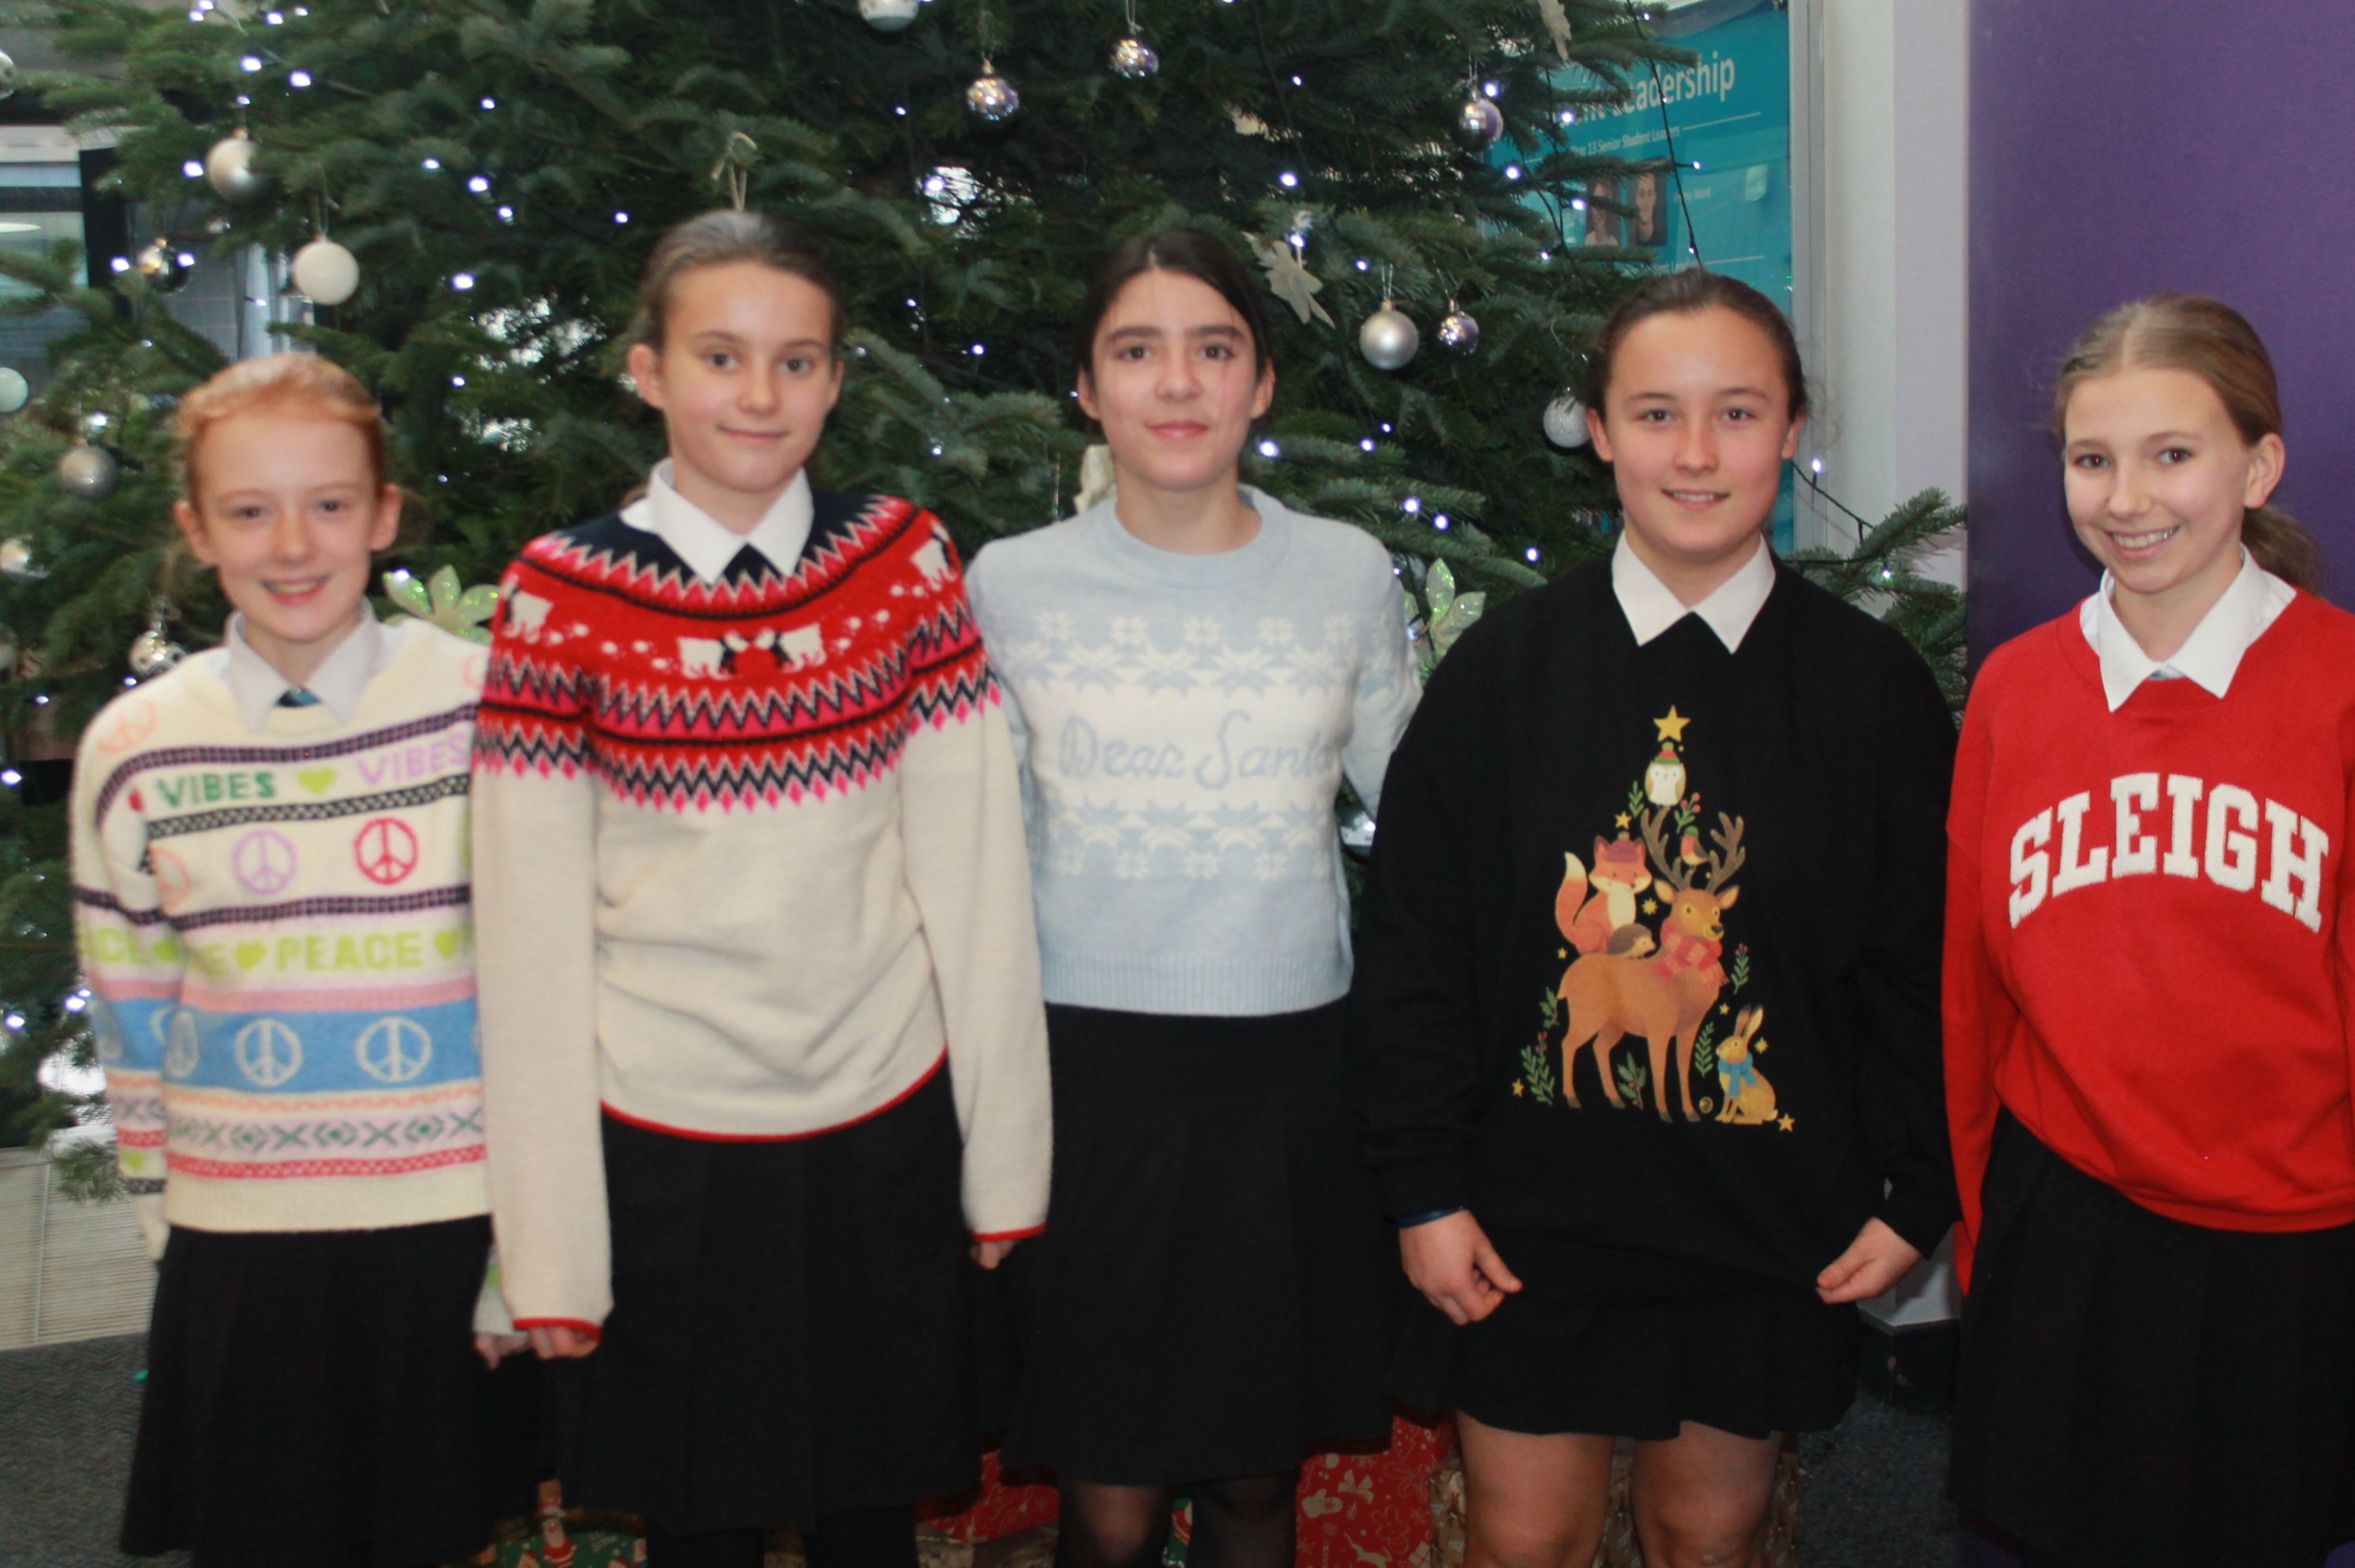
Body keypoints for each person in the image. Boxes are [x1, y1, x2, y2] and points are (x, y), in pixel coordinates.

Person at [469, 208, 1051, 1568]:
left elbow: (972, 877)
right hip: (663, 1137)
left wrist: (1006, 1165)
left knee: (869, 1516)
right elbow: (531, 944)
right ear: (647, 370)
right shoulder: (558, 599)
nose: (758, 393)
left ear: (837, 382)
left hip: (881, 1123)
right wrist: (550, 1251)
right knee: (701, 1524)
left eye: (796, 362)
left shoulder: (903, 564)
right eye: (720, 356)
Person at [1349, 269, 1956, 1568]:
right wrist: (1421, 1185)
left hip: (1766, 1216)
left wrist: (1919, 1189)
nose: (1696, 454)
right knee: (1526, 1540)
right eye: (1657, 412)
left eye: (1737, 413)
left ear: (1791, 430)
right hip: (1527, 1224)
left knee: (1712, 1531)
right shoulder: (1501, 676)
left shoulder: (1870, 692)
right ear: (1601, 429)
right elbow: (1417, 947)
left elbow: (1923, 966)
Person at [965, 228, 1418, 1568]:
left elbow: (1424, 812)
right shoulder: (1012, 582)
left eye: (1214, 349)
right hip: (1086, 1079)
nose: (1178, 383)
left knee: (1250, 1480)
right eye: (1137, 350)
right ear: (1088, 389)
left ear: (1261, 382)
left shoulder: (1345, 572)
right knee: (1106, 1498)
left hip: (1285, 1083)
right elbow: (975, 848)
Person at [71, 352, 528, 1568]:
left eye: (329, 504)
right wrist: (169, 1229)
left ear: (383, 515)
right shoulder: (139, 746)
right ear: (195, 529)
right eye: (249, 509)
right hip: (242, 1242)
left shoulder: (487, 709)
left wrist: (516, 1259)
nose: (292, 545)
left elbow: (540, 997)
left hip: (448, 1227)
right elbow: (133, 1012)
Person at [1944, 293, 2355, 1568]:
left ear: (2259, 463)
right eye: (2091, 458)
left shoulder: (2342, 688)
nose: (2128, 497)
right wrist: (1980, 1223)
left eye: (2172, 453)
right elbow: (1972, 987)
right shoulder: (2016, 687)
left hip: (2292, 1247)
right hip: (2068, 1224)